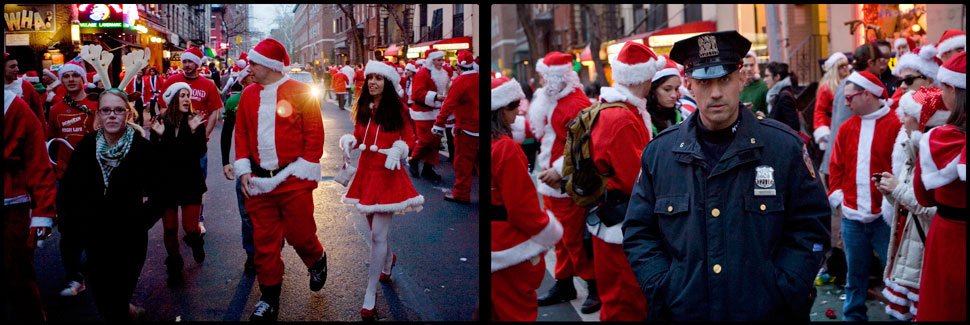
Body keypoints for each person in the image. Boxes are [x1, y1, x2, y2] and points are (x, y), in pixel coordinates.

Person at [624, 31, 830, 321]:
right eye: (705, 82)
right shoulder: (660, 154)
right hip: (684, 312)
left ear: (741, 80)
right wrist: (663, 286)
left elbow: (812, 229)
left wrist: (784, 287)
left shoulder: (784, 148)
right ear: (689, 85)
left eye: (724, 80)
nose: (716, 93)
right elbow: (639, 233)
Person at [234, 38, 328, 321]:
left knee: (300, 234)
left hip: (293, 178)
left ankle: (316, 259)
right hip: (258, 184)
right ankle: (269, 299)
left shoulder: (300, 91)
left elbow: (314, 132)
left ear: (270, 66)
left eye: (253, 63)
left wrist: (305, 168)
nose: (248, 67)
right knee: (264, 244)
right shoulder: (248, 95)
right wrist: (243, 170)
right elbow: (241, 134)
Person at [59, 87, 156, 321]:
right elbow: (69, 190)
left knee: (118, 297)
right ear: (99, 116)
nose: (112, 115)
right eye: (106, 110)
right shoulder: (86, 147)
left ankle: (126, 310)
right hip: (95, 237)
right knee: (103, 299)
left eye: (118, 110)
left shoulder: (142, 148)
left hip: (130, 237)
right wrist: (73, 225)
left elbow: (162, 191)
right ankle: (128, 312)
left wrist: (141, 220)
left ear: (128, 115)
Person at [338, 60, 424, 320]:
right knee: (375, 230)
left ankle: (370, 292)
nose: (373, 82)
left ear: (388, 83)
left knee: (377, 236)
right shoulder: (364, 106)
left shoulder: (397, 108)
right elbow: (359, 134)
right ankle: (388, 260)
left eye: (379, 78)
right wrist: (350, 141)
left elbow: (410, 137)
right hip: (366, 174)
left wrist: (399, 148)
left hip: (387, 175)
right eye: (370, 77)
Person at [585, 41, 663, 321]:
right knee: (625, 303)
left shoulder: (613, 108)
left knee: (618, 302)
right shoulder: (623, 118)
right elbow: (637, 180)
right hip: (621, 222)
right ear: (643, 77)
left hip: (611, 218)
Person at [521, 51, 600, 313]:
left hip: (568, 182)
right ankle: (564, 282)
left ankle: (594, 285)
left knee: (573, 239)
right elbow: (539, 130)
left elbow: (584, 147)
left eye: (545, 77)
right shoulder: (551, 97)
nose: (541, 81)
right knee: (559, 237)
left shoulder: (576, 103)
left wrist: (559, 170)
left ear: (557, 78)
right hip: (552, 180)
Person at [828, 71, 901, 321]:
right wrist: (839, 201)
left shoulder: (895, 124)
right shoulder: (847, 128)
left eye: (850, 98)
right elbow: (835, 167)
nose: (845, 103)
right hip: (852, 217)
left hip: (885, 218)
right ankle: (853, 317)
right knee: (854, 277)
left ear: (868, 95)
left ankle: (897, 315)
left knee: (894, 275)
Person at [490, 76, 564, 321]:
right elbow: (523, 209)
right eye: (512, 106)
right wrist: (550, 231)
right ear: (500, 110)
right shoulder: (506, 148)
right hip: (509, 247)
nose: (517, 111)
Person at [876, 86, 949, 321]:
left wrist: (897, 188)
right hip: (909, 253)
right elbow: (908, 203)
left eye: (906, 114)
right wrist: (890, 190)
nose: (901, 119)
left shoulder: (935, 155)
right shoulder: (912, 151)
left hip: (924, 256)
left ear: (920, 121)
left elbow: (936, 209)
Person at [912, 51, 965, 321]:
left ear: (953, 89)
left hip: (950, 238)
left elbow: (923, 196)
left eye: (943, 87)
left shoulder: (938, 140)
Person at [46, 59, 100, 297]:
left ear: (82, 80)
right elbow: (51, 141)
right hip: (65, 177)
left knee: (94, 224)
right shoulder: (56, 109)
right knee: (68, 229)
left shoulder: (95, 105)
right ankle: (74, 278)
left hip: (93, 176)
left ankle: (93, 263)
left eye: (74, 76)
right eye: (66, 76)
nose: (70, 80)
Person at [3, 90, 57, 322]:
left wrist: (43, 212)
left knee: (17, 274)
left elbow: (37, 159)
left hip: (10, 205)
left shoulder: (14, 107)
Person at [160, 47, 224, 235]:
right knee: (172, 177)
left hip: (196, 142)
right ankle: (173, 216)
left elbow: (214, 112)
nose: (186, 65)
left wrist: (205, 134)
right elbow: (162, 106)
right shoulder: (172, 81)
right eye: (184, 61)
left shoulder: (209, 85)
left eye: (190, 62)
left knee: (197, 180)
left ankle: (198, 218)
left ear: (198, 64)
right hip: (174, 142)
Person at [149, 82, 208, 287]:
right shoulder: (161, 122)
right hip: (166, 184)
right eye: (182, 95)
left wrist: (192, 133)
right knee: (170, 228)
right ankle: (174, 264)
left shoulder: (194, 122)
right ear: (173, 99)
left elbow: (198, 153)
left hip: (190, 182)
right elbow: (158, 158)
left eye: (188, 96)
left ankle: (197, 240)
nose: (186, 99)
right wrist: (157, 137)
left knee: (190, 227)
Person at [220, 53, 257, 274]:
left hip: (270, 163)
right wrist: (225, 161)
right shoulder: (234, 102)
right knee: (246, 212)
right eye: (248, 76)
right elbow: (226, 134)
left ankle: (274, 247)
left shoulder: (271, 97)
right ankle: (251, 254)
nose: (253, 79)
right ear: (243, 81)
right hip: (246, 163)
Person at [433, 51, 480, 205]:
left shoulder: (460, 82)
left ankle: (461, 193)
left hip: (466, 130)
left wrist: (439, 124)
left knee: (463, 164)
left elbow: (448, 105)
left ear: (459, 67)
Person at [408, 49, 450, 181]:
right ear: (431, 61)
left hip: (436, 112)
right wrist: (435, 97)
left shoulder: (443, 73)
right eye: (439, 60)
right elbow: (416, 94)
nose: (441, 63)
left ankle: (428, 167)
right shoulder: (421, 74)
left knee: (435, 142)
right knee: (425, 140)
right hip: (423, 112)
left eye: (442, 60)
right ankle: (414, 160)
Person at [814, 52, 851, 151]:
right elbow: (819, 111)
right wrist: (823, 131)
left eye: (846, 65)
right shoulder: (826, 88)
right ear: (834, 69)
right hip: (832, 128)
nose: (845, 68)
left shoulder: (851, 84)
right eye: (841, 66)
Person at [646, 57, 687, 136]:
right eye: (667, 89)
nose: (674, 95)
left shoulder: (680, 116)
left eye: (676, 89)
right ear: (652, 89)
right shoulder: (643, 119)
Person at [5, 53, 47, 129]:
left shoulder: (25, 86)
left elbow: (39, 113)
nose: (17, 69)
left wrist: (43, 138)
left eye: (17, 66)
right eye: (12, 67)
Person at [762, 62, 801, 132]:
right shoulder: (779, 93)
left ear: (777, 77)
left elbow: (793, 126)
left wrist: (766, 120)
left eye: (767, 76)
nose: (764, 80)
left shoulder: (784, 96)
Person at [739, 50, 769, 115]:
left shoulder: (763, 86)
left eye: (751, 65)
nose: (749, 69)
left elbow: (769, 112)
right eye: (745, 65)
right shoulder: (735, 86)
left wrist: (764, 116)